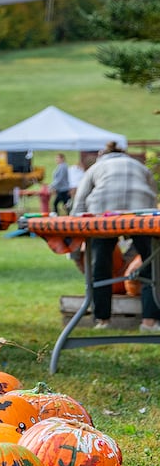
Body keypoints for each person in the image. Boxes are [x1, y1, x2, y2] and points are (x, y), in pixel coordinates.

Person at [71, 142, 160, 332]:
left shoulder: (96, 167)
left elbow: (79, 203)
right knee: (151, 265)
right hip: (140, 214)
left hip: (102, 216)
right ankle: (149, 321)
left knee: (100, 266)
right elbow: (152, 197)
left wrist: (75, 236)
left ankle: (102, 320)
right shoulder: (140, 166)